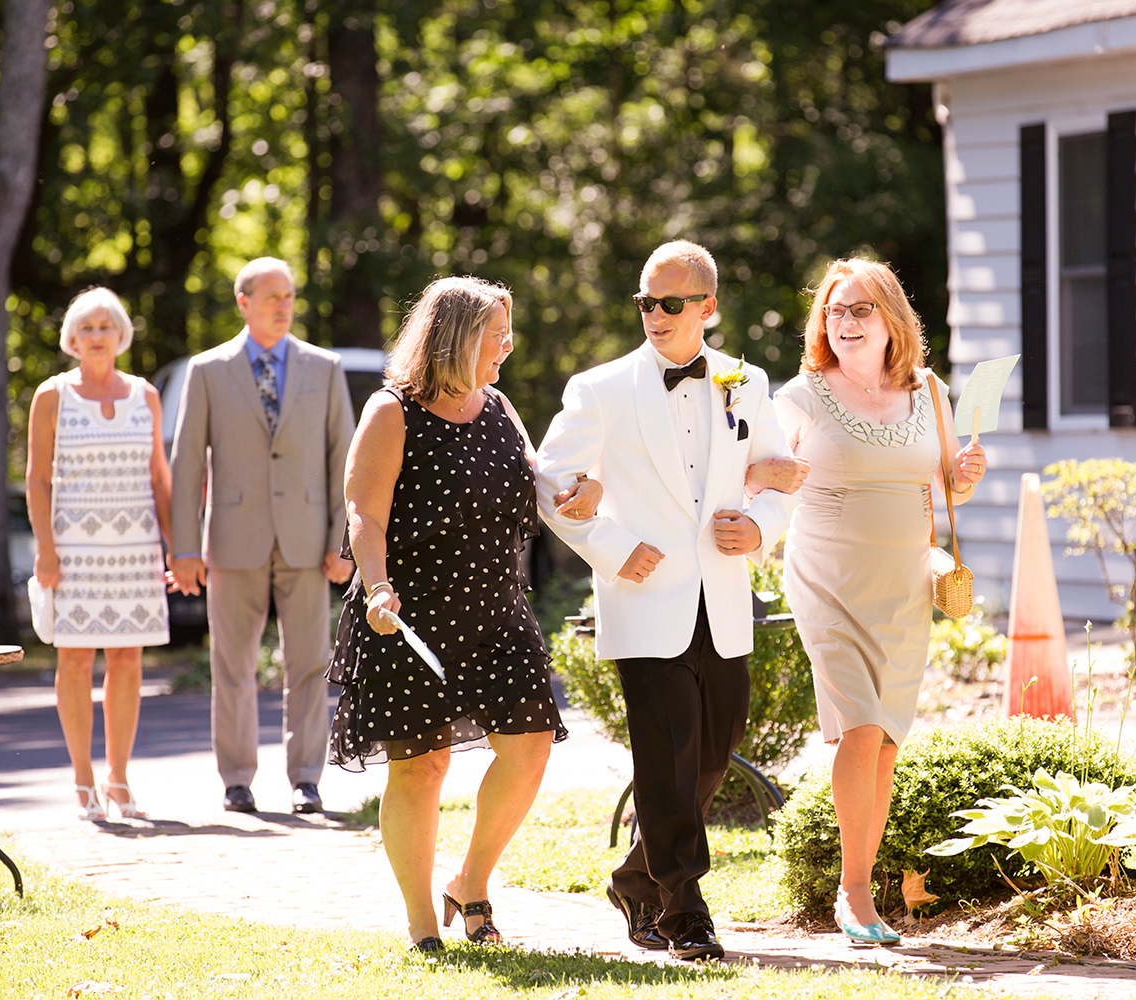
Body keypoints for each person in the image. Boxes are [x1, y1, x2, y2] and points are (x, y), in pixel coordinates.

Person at [535, 240, 798, 961]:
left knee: (712, 752)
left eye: (670, 303)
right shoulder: (600, 388)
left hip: (724, 598)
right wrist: (614, 546)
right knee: (666, 759)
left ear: (707, 308)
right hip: (643, 600)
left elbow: (776, 481)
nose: (654, 314)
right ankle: (686, 911)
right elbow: (549, 480)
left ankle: (634, 877)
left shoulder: (746, 381)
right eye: (645, 301)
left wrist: (761, 527)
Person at [329, 275, 597, 952]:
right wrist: (379, 587)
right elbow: (363, 510)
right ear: (458, 338)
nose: (508, 347)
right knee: (421, 766)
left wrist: (579, 489)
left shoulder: (500, 405)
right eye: (497, 335)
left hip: (497, 612)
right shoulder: (392, 411)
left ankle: (470, 881)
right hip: (410, 616)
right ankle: (423, 925)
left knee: (531, 744)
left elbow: (540, 482)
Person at [760, 257, 987, 944]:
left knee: (885, 741)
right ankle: (853, 895)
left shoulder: (932, 392)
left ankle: (861, 880)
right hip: (826, 577)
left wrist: (966, 473)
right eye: (834, 310)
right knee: (858, 728)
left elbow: (947, 485)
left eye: (860, 309)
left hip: (904, 584)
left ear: (892, 319)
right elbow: (761, 475)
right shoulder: (799, 396)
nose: (845, 322)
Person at [168, 258, 356, 815]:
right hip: (231, 541)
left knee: (308, 664)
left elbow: (343, 457)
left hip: (306, 542)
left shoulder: (324, 367)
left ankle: (306, 780)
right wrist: (183, 548)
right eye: (271, 295)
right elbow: (185, 466)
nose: (283, 304)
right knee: (232, 667)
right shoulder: (208, 370)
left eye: (290, 295)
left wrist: (339, 540)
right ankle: (236, 780)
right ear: (243, 301)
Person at [26, 287, 174, 821]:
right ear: (72, 338)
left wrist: (177, 546)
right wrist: (46, 548)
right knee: (75, 661)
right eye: (85, 328)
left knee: (129, 661)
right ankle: (83, 780)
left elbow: (161, 478)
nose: (95, 336)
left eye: (105, 326)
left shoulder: (146, 395)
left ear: (120, 335)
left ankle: (119, 779)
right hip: (72, 550)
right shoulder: (52, 396)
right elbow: (38, 479)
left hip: (136, 550)